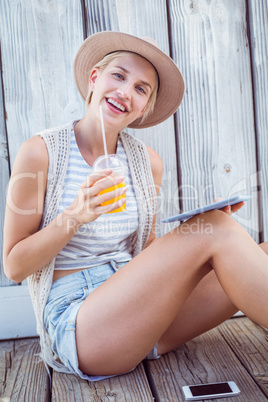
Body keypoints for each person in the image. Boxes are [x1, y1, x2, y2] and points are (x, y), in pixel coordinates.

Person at [3, 31, 268, 382]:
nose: (126, 92)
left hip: (138, 318)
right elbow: (14, 267)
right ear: (94, 78)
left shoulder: (146, 163)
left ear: (145, 107)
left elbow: (147, 255)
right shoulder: (41, 152)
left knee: (256, 250)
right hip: (81, 327)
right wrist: (75, 216)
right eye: (118, 76)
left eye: (141, 89)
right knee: (216, 233)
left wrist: (200, 240)